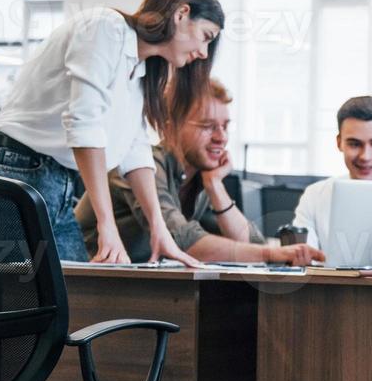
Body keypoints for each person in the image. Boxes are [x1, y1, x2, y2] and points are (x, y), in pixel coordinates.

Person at [0, 0, 224, 266]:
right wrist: (107, 225)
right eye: (206, 36)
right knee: (15, 303)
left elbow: (135, 149)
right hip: (13, 173)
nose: (204, 53)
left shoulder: (142, 68)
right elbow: (83, 124)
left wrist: (159, 229)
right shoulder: (106, 28)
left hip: (58, 184)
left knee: (69, 298)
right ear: (181, 14)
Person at [75, 79, 325, 266]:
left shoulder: (199, 177)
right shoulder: (139, 166)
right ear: (169, 126)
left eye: (225, 127)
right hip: (83, 283)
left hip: (135, 284)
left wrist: (215, 187)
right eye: (208, 126)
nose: (221, 137)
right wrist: (272, 254)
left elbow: (251, 244)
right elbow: (183, 241)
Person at [291, 96, 372, 250]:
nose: (365, 156)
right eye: (354, 144)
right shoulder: (315, 197)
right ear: (339, 143)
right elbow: (303, 260)